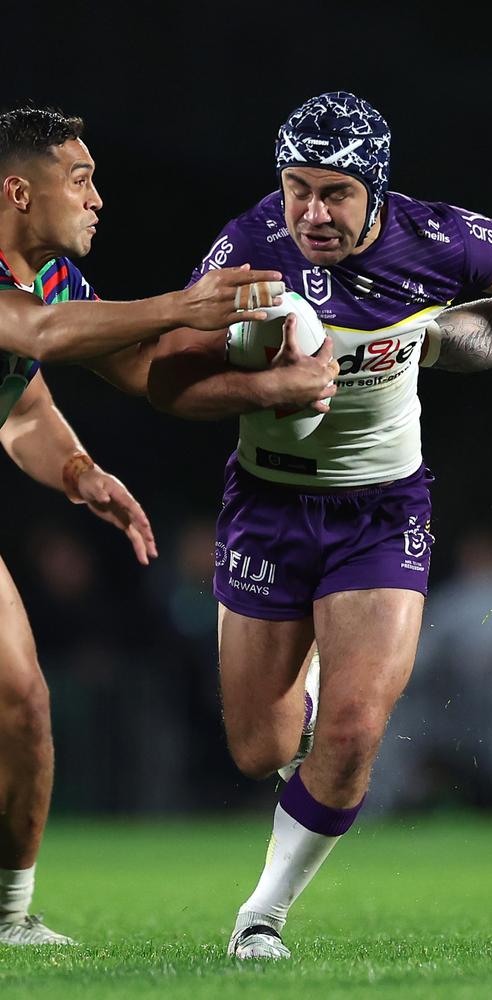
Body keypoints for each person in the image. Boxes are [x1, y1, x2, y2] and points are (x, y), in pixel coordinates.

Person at [147, 91, 492, 961]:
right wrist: (266, 389)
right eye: (297, 187)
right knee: (257, 746)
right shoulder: (246, 249)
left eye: (335, 192)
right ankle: (297, 691)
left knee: (351, 732)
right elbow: (163, 381)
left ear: (376, 190)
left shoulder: (448, 240)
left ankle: (260, 917)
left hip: (384, 508)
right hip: (267, 506)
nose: (312, 212)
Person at [0, 105, 286, 947]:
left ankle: (7, 922)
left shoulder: (48, 279)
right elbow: (34, 335)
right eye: (79, 180)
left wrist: (82, 470)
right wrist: (182, 302)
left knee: (20, 701)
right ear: (18, 190)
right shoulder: (30, 299)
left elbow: (29, 403)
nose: (97, 199)